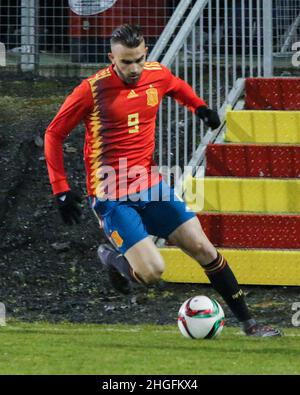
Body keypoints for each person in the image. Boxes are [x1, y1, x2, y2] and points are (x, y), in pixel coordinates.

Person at [45, 24, 281, 337]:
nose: (134, 68)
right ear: (111, 59)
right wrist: (61, 189)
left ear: (146, 54)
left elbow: (176, 86)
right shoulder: (91, 90)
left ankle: (250, 324)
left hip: (152, 186)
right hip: (112, 196)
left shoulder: (156, 73)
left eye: (139, 59)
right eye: (126, 62)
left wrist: (199, 107)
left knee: (203, 248)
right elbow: (54, 133)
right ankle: (112, 257)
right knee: (153, 273)